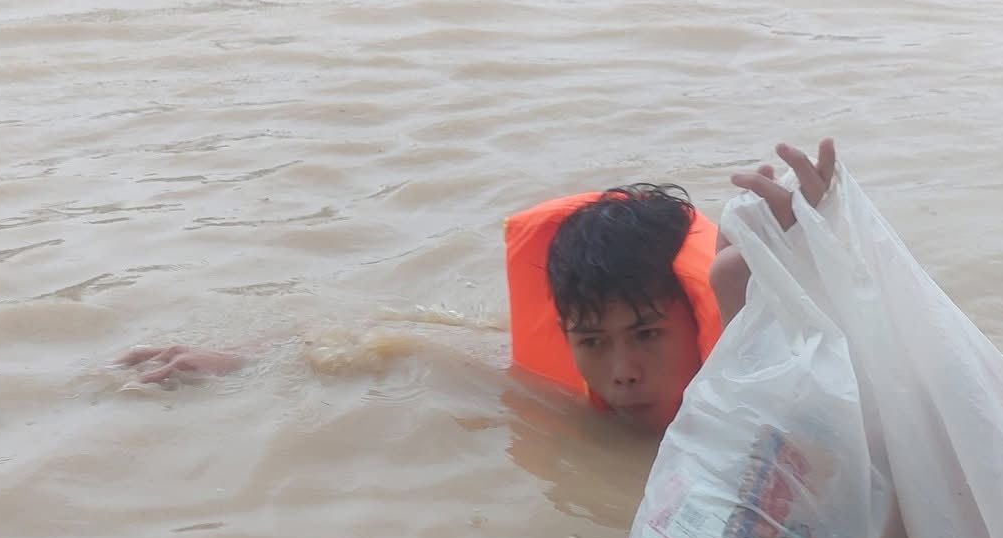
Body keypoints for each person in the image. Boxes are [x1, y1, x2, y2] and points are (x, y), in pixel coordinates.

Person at [117, 138, 841, 428]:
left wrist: (796, 262)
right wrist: (241, 359)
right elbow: (394, 342)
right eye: (591, 341)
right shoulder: (555, 386)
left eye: (648, 335)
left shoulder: (747, 380)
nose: (620, 373)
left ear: (696, 316)